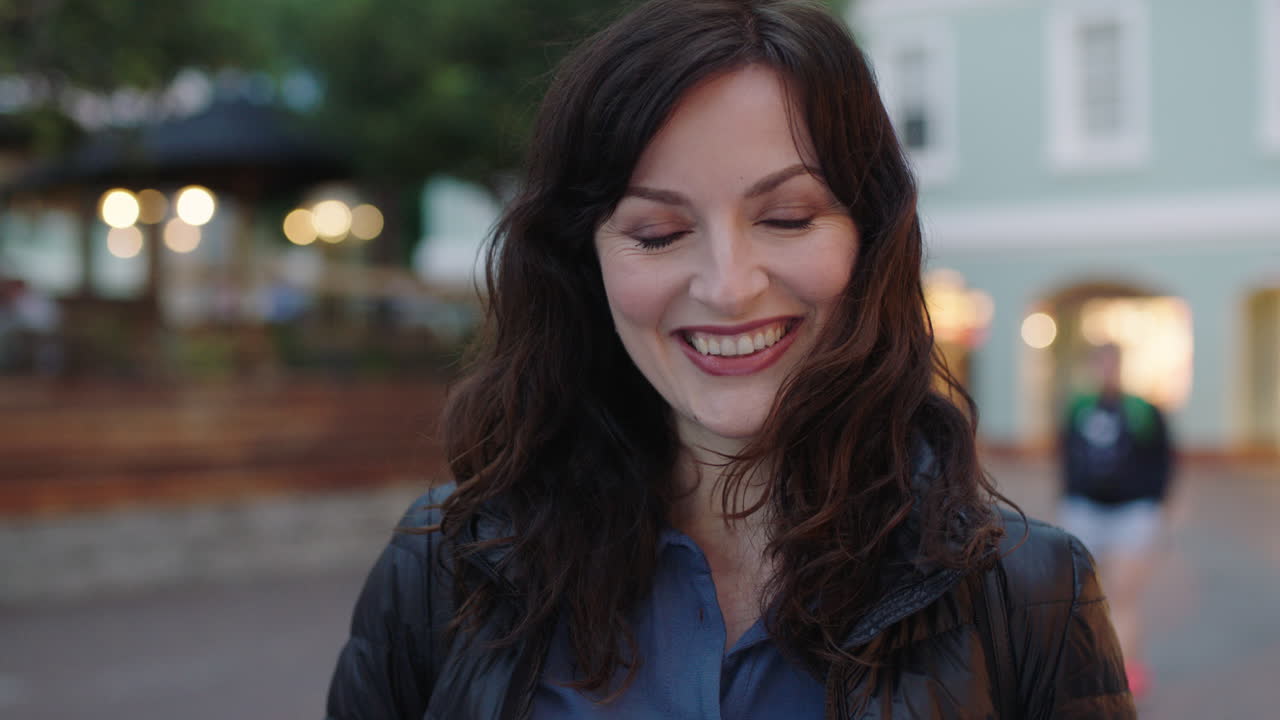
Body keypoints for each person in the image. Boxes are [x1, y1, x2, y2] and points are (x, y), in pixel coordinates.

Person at [327, 1, 1133, 717]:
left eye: (787, 217)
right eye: (658, 233)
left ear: (870, 239)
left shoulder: (1030, 595)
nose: (728, 286)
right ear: (586, 263)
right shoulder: (442, 567)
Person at [1059, 342, 1175, 700]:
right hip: (1085, 510)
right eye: (1101, 364)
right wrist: (1070, 493)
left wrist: (1155, 504)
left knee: (1124, 596)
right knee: (1079, 595)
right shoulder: (1079, 408)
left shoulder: (1143, 410)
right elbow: (1065, 452)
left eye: (1112, 364)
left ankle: (1125, 671)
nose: (1107, 371)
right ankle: (1085, 670)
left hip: (1132, 512)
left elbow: (1164, 458)